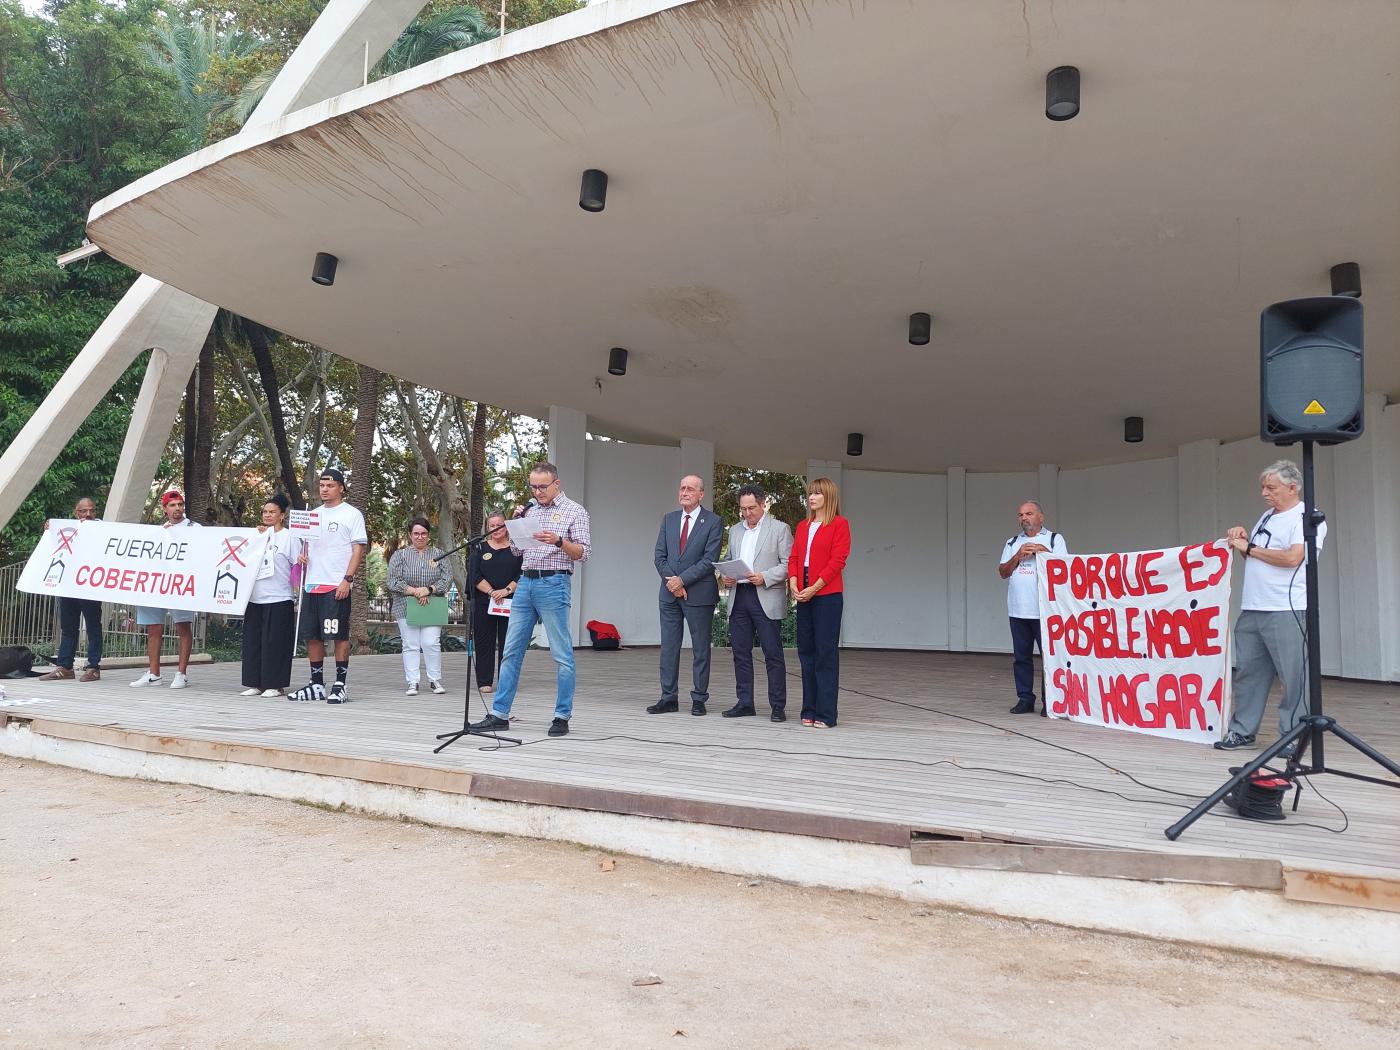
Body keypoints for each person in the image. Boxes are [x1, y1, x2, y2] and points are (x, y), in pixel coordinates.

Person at [469, 462, 591, 737]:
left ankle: (562, 716)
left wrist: (559, 541)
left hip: (554, 581)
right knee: (511, 650)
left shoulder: (575, 511)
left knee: (561, 654)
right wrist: (516, 525)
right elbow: (515, 551)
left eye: (542, 487)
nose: (537, 492)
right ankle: (500, 713)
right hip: (526, 582)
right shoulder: (530, 511)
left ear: (556, 484)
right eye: (533, 487)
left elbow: (583, 553)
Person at [1216, 460, 1328, 755]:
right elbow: (1255, 559)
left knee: (1293, 677)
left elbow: (1293, 558)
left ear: (1293, 487)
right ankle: (1242, 731)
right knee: (1249, 673)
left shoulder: (1306, 517)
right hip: (1254, 607)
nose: (1265, 493)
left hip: (1286, 608)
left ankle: (1293, 736)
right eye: (1263, 487)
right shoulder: (1267, 516)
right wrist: (1243, 542)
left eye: (1271, 487)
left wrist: (1249, 548)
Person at [649, 475, 724, 717]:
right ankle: (668, 697)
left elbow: (709, 560)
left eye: (690, 489)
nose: (684, 492)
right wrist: (673, 583)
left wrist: (682, 580)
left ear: (701, 494)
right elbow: (659, 556)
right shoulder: (669, 519)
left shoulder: (713, 521)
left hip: (699, 594)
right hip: (669, 594)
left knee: (701, 648)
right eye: (682, 488)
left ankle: (699, 698)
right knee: (669, 647)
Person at [293, 468, 368, 705]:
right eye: (322, 485)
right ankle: (316, 684)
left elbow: (358, 549)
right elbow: (306, 547)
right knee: (312, 636)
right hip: (312, 584)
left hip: (335, 585)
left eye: (330, 485)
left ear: (341, 487)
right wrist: (302, 556)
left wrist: (347, 579)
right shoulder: (312, 515)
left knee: (338, 635)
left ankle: (340, 684)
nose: (325, 489)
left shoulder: (351, 514)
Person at [718, 483, 793, 721]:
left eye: (752, 508)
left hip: (766, 594)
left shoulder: (780, 529)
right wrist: (725, 576)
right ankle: (745, 702)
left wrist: (765, 576)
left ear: (763, 504)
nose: (747, 513)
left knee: (772, 653)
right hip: (739, 596)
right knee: (740, 652)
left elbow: (788, 563)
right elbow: (729, 559)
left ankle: (778, 707)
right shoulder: (736, 531)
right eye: (743, 509)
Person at [788, 477, 850, 728]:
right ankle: (809, 709)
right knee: (806, 653)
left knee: (825, 654)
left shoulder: (839, 524)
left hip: (827, 597)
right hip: (803, 595)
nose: (811, 497)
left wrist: (814, 588)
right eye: (810, 493)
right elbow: (794, 557)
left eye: (817, 494)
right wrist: (793, 583)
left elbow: (838, 561)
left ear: (829, 497)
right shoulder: (803, 525)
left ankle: (826, 714)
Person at [997, 500, 1069, 715]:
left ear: (1041, 517)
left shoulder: (1055, 539)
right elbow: (1002, 572)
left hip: (1045, 611)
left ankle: (1051, 701)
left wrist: (1043, 552)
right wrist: (1018, 556)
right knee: (1021, 658)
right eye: (1020, 515)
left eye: (1029, 513)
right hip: (1018, 609)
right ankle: (1025, 698)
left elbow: (1065, 569)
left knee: (1049, 657)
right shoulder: (1012, 542)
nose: (1024, 518)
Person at [130, 490, 201, 689]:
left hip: (181, 584)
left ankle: (181, 673)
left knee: (183, 626)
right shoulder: (159, 531)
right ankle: (154, 673)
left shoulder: (195, 528)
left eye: (180, 504)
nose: (177, 508)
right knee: (153, 627)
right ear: (165, 509)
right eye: (172, 505)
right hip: (157, 585)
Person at [37, 497, 104, 683]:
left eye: (91, 510)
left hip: (90, 585)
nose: (88, 514)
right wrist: (51, 527)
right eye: (84, 511)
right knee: (68, 627)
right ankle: (65, 667)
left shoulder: (101, 528)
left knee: (93, 626)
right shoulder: (68, 528)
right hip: (68, 585)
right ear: (76, 513)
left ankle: (93, 667)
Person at [387, 517, 453, 696]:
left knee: (431, 642)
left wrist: (429, 590)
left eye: (423, 533)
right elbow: (392, 580)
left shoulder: (439, 555)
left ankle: (434, 680)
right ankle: (413, 682)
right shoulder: (399, 555)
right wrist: (415, 591)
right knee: (410, 644)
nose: (420, 537)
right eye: (416, 533)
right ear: (410, 535)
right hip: (406, 605)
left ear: (429, 535)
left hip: (432, 604)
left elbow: (447, 579)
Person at [239, 493, 298, 697]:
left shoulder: (289, 537)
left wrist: (297, 586)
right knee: (254, 641)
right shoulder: (257, 535)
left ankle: (275, 684)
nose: (267, 515)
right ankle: (255, 682)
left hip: (279, 596)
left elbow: (296, 566)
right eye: (265, 511)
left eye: (273, 512)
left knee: (275, 642)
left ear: (282, 515)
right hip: (255, 596)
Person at [469, 511, 522, 692]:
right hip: (486, 602)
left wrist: (506, 591)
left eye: (499, 525)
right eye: (492, 526)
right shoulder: (479, 549)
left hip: (511, 602)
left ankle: (506, 681)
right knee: (484, 642)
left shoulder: (517, 548)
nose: (496, 528)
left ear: (506, 526)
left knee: (509, 643)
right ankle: (485, 681)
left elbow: (522, 573)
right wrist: (492, 592)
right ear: (487, 528)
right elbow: (474, 576)